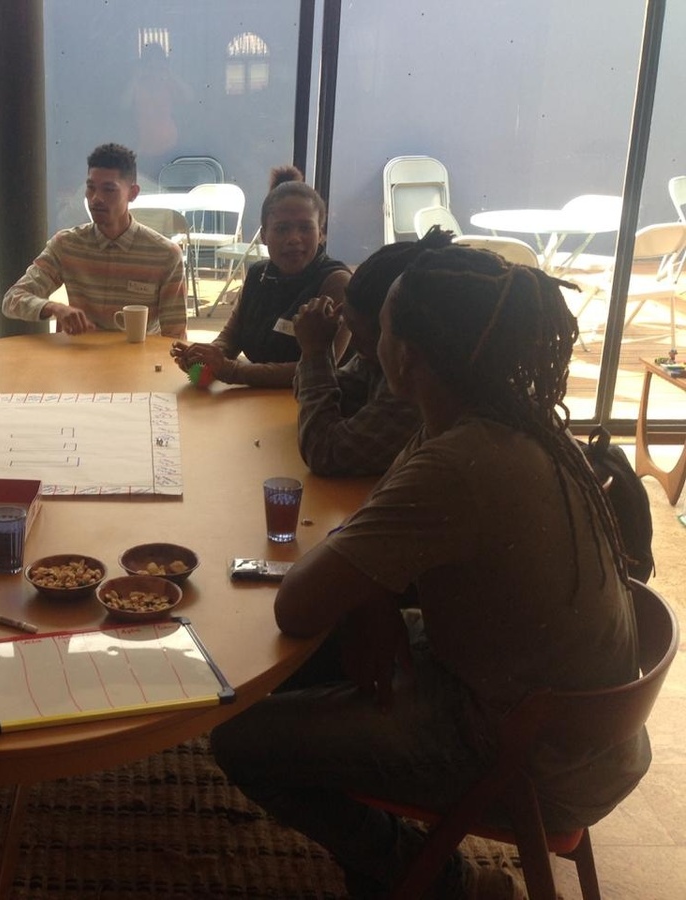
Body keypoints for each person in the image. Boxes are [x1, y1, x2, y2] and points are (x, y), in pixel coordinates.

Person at [210, 246, 647, 898]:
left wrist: (366, 591)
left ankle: (442, 880)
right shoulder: (504, 423)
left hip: (534, 758)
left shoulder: (459, 462)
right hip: (573, 721)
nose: (367, 339)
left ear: (405, 355)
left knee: (239, 738)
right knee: (321, 653)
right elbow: (374, 545)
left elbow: (295, 605)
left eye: (379, 326)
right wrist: (374, 598)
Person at [292, 227, 453, 476]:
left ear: (394, 332)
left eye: (360, 333)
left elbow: (325, 452)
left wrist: (315, 352)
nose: (354, 344)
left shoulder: (417, 382)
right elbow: (321, 397)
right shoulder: (377, 357)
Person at [170, 166, 350, 388]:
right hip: (256, 404)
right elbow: (230, 337)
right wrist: (204, 357)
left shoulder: (337, 283)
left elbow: (321, 367)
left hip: (314, 409)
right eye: (282, 229)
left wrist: (230, 370)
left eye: (305, 228)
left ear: (321, 234)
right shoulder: (258, 274)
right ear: (264, 235)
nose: (294, 238)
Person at [1, 143, 188, 339]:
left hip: (139, 362)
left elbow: (174, 337)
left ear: (132, 193)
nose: (95, 199)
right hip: (79, 360)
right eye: (90, 188)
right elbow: (12, 299)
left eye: (109, 190)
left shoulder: (165, 255)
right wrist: (54, 308)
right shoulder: (67, 245)